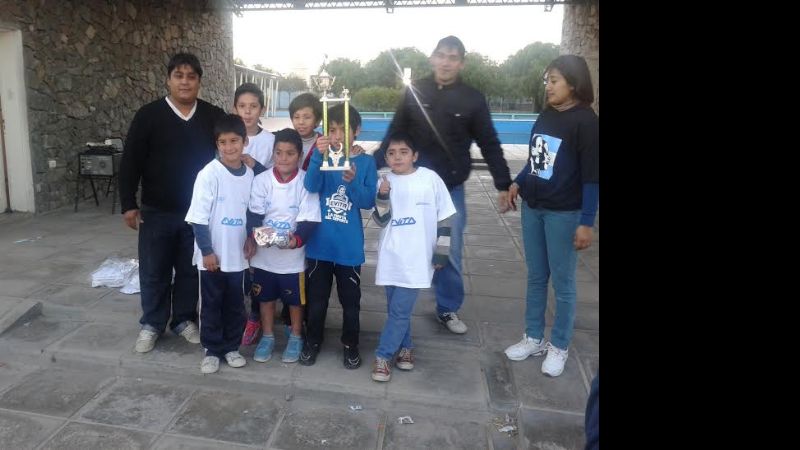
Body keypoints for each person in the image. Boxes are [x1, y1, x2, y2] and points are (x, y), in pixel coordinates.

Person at [375, 35, 513, 335]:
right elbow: (395, 131)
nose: (446, 62)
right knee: (404, 244)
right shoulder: (416, 91)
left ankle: (447, 307)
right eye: (441, 55)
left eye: (453, 57)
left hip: (449, 191)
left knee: (448, 250)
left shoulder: (472, 98)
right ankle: (401, 299)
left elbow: (489, 142)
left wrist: (503, 183)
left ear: (460, 63)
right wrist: (367, 167)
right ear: (432, 58)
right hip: (412, 187)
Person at [119, 52, 225, 353]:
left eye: (191, 76)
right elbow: (130, 162)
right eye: (179, 75)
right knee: (154, 270)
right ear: (168, 79)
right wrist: (128, 203)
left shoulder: (212, 116)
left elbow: (235, 145)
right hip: (157, 210)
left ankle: (183, 320)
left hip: (199, 213)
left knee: (191, 270)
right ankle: (152, 323)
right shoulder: (148, 115)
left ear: (199, 82)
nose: (185, 82)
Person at [503, 55, 599, 377]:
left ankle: (559, 345)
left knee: (564, 283)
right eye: (547, 80)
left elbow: (592, 178)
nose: (548, 86)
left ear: (573, 83)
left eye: (554, 80)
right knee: (536, 276)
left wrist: (587, 221)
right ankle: (533, 337)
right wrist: (518, 182)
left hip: (564, 214)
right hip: (533, 208)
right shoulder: (545, 116)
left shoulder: (586, 122)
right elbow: (537, 161)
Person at [370, 132, 455, 382]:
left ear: (415, 155)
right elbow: (380, 220)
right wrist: (383, 195)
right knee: (396, 310)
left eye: (403, 152)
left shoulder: (430, 179)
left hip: (417, 257)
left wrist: (442, 252)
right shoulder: (383, 181)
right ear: (386, 157)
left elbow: (445, 216)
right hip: (391, 255)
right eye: (391, 153)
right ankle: (405, 349)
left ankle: (383, 357)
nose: (397, 157)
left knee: (399, 310)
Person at [300, 103, 377, 369]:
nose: (336, 136)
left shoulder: (365, 162)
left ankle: (350, 344)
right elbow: (310, 186)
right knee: (317, 301)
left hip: (348, 248)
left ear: (356, 131)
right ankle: (312, 341)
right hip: (319, 246)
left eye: (342, 130)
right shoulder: (321, 158)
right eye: (331, 130)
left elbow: (367, 201)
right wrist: (317, 158)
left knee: (351, 304)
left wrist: (352, 180)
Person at [184, 114, 253, 374]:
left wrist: (250, 239)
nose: (229, 147)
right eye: (222, 142)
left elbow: (252, 213)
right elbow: (198, 218)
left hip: (237, 257)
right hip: (212, 257)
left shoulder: (250, 175)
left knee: (235, 303)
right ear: (217, 144)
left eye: (234, 140)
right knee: (211, 303)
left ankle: (231, 347)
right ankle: (212, 349)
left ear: (244, 142)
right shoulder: (209, 174)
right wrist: (207, 251)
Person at [244, 128, 320, 363]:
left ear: (299, 155)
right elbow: (254, 215)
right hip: (264, 257)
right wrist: (252, 237)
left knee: (295, 301)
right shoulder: (261, 180)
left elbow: (308, 220)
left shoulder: (306, 182)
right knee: (265, 298)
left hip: (293, 258)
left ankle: (296, 337)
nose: (283, 158)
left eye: (289, 153)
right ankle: (267, 337)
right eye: (278, 153)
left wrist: (295, 241)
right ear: (273, 154)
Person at [232, 82, 276, 347]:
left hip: (262, 214)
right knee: (240, 264)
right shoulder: (229, 138)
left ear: (262, 109)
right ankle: (241, 313)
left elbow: (276, 177)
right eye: (242, 106)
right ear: (234, 108)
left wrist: (256, 165)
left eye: (253, 107)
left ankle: (257, 315)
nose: (247, 112)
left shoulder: (270, 141)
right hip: (234, 212)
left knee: (260, 265)